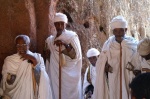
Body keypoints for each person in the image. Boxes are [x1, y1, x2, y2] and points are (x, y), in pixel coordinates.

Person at [93, 16, 138, 99]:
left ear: (126, 30)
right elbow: (100, 64)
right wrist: (104, 67)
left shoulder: (133, 44)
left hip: (129, 79)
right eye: (116, 31)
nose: (119, 33)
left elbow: (138, 61)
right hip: (113, 79)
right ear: (113, 31)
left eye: (121, 30)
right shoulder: (108, 45)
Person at [1, 35, 52, 99]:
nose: (21, 48)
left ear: (29, 45)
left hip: (31, 94)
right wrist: (10, 79)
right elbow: (5, 82)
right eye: (18, 46)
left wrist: (34, 61)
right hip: (14, 95)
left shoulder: (37, 58)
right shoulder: (9, 60)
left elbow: (43, 79)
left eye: (24, 45)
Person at [45, 12, 82, 99]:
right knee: (55, 92)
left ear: (65, 25)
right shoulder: (50, 40)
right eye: (57, 24)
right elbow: (47, 55)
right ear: (54, 25)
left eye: (62, 24)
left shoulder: (72, 36)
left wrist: (65, 45)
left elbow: (76, 56)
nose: (60, 26)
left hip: (69, 72)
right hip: (55, 72)